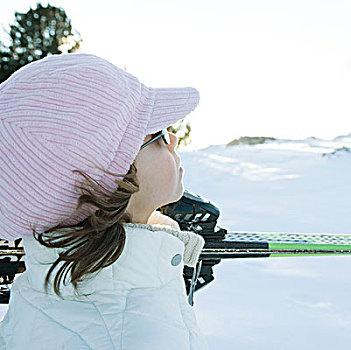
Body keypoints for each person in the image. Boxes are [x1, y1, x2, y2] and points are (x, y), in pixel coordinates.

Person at [0, 53, 208, 349]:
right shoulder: (137, 336)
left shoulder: (40, 294)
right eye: (157, 134)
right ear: (114, 183)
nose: (172, 139)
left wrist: (157, 240)